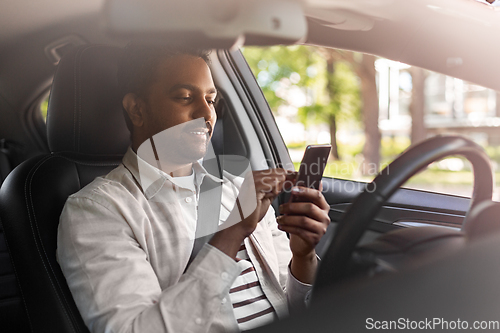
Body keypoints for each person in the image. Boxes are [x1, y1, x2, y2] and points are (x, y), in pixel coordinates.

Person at [57, 44, 331, 333]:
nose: (207, 114)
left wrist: (303, 256)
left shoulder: (238, 190)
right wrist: (231, 234)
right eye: (185, 97)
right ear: (137, 109)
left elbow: (300, 310)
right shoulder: (97, 211)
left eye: (211, 100)